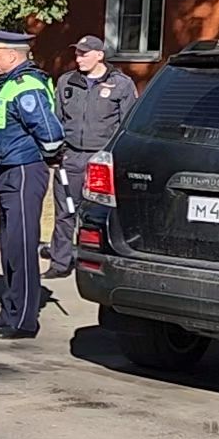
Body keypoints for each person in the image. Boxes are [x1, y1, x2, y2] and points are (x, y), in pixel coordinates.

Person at [0, 28, 65, 341]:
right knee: (10, 245)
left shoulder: (26, 85)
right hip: (7, 169)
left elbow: (50, 132)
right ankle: (10, 311)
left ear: (12, 56)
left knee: (22, 246)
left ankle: (24, 320)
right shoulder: (5, 84)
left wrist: (50, 156)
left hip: (24, 170)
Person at [46, 35, 136, 279]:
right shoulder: (67, 82)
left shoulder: (121, 84)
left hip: (101, 160)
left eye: (84, 54)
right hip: (71, 157)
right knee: (65, 211)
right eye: (77, 54)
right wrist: (56, 152)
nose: (79, 58)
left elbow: (127, 124)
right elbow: (57, 119)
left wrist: (116, 157)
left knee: (100, 213)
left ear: (100, 55)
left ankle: (100, 259)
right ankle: (60, 262)